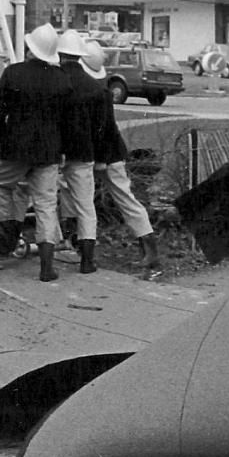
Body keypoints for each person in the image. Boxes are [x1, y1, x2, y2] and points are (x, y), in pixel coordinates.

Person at [0, 23, 69, 283]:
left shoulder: (13, 73)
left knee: (1, 185)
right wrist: (61, 149)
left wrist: (1, 139)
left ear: (30, 48)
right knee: (45, 204)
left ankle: (5, 238)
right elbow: (66, 120)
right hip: (49, 151)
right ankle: (46, 266)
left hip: (15, 149)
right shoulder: (62, 79)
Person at [80, 40, 163, 280]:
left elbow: (100, 130)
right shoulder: (102, 91)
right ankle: (149, 249)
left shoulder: (91, 93)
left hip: (105, 155)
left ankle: (76, 243)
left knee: (90, 199)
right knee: (126, 199)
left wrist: (101, 160)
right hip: (111, 154)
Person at [57, 28, 102, 273]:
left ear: (61, 54)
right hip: (84, 154)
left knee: (51, 200)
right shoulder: (94, 87)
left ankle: (64, 242)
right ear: (80, 56)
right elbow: (101, 126)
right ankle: (87, 260)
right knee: (86, 205)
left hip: (54, 152)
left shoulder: (53, 82)